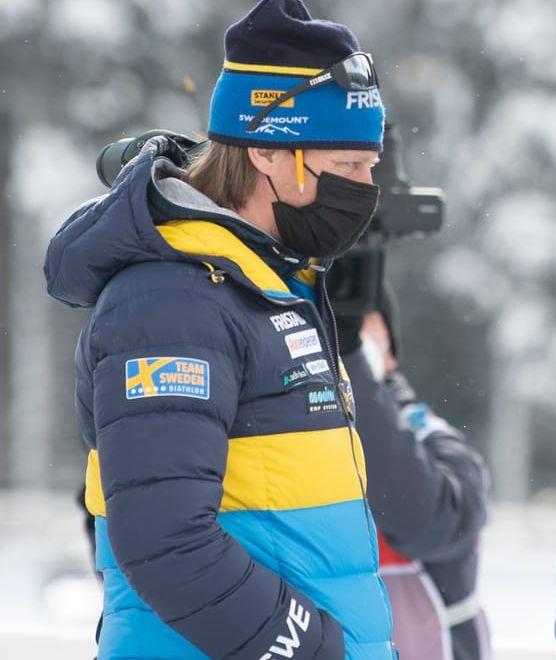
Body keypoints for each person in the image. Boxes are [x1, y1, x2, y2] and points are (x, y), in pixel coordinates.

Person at [44, 0, 394, 657]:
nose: (367, 187)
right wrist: (315, 649)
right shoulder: (171, 302)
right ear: (268, 151)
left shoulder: (268, 286)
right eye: (348, 166)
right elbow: (164, 541)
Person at [338, 299, 493, 660]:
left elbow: (435, 522)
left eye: (358, 323)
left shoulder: (430, 434)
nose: (339, 332)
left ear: (389, 347)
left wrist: (352, 369)